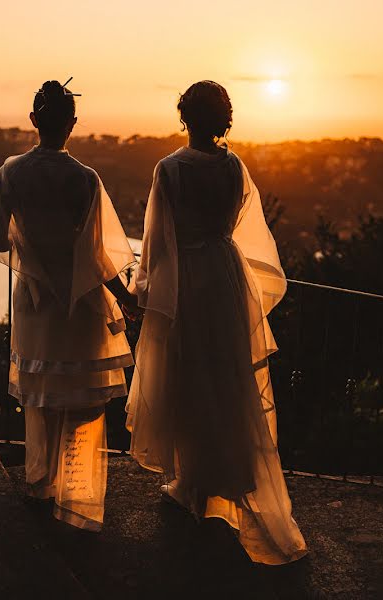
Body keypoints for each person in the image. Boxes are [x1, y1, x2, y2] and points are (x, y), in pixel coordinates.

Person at [126, 80, 308, 564]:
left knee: (188, 379)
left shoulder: (169, 170)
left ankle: (195, 485)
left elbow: (158, 241)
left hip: (188, 282)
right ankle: (219, 483)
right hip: (227, 281)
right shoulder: (234, 168)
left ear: (185, 116)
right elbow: (240, 226)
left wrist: (142, 287)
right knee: (228, 381)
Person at [0, 79, 138, 531]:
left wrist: (30, 247)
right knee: (81, 400)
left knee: (42, 395)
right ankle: (77, 493)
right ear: (72, 123)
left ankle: (40, 482)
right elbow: (99, 257)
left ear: (33, 120)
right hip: (80, 302)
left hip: (34, 303)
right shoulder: (85, 179)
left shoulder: (9, 172)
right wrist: (126, 299)